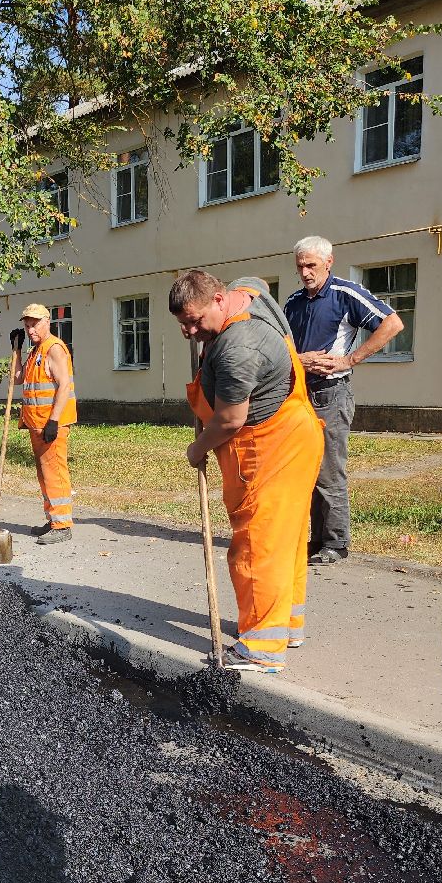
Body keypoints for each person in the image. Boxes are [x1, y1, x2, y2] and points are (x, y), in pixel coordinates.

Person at [169, 270, 323, 673]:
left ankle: (261, 646)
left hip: (269, 444)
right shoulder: (249, 296)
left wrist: (196, 449)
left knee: (258, 543)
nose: (189, 331)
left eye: (195, 321)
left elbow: (229, 421)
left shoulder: (238, 348)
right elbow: (257, 282)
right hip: (299, 434)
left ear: (220, 300)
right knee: (286, 536)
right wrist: (205, 328)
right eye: (182, 323)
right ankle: (287, 624)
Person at [282, 235, 405, 564]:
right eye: (300, 266)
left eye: (311, 265)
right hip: (298, 396)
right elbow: (282, 346)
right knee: (304, 470)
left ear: (328, 262)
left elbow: (392, 324)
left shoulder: (344, 294)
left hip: (330, 394)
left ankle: (336, 543)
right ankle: (315, 540)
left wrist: (350, 359)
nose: (306, 272)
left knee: (328, 472)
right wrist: (299, 359)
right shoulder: (293, 302)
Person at [16, 303, 76, 545]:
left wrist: (53, 421)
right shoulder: (35, 351)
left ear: (46, 322)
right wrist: (16, 350)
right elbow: (17, 379)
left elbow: (65, 385)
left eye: (35, 324)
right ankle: (53, 519)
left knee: (55, 473)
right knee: (44, 474)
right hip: (36, 424)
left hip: (51, 425)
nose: (31, 330)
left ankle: (62, 525)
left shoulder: (54, 349)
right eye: (27, 325)